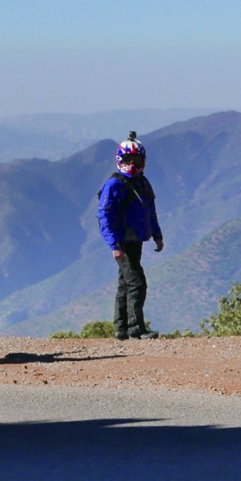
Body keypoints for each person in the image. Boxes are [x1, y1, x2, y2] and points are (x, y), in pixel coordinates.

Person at [98, 132, 164, 339]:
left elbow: (150, 211)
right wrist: (114, 245)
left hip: (137, 241)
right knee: (137, 283)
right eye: (128, 159)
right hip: (123, 243)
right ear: (120, 159)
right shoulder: (114, 185)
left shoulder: (143, 183)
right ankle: (136, 328)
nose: (133, 164)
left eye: (137, 160)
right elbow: (105, 217)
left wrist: (157, 235)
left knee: (125, 284)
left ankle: (121, 329)